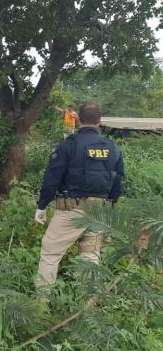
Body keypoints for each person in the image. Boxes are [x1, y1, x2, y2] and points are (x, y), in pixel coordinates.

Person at [34, 103, 124, 299]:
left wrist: (42, 206)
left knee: (50, 254)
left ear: (79, 119)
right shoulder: (112, 148)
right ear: (100, 121)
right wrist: (111, 207)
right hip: (100, 212)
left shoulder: (69, 145)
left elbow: (52, 178)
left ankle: (41, 304)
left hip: (71, 211)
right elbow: (117, 182)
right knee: (91, 256)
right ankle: (86, 305)